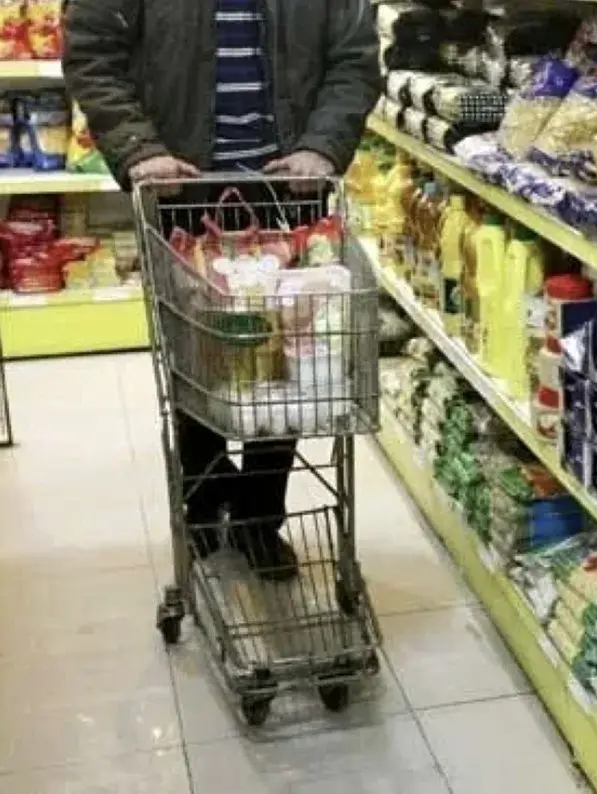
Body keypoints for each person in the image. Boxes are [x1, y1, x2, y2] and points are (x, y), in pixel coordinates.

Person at [63, 0, 382, 581]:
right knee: (194, 361)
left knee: (284, 366)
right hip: (179, 190)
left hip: (287, 193)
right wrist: (139, 148)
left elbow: (354, 58)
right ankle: (205, 504)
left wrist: (322, 146)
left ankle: (260, 517)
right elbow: (92, 51)